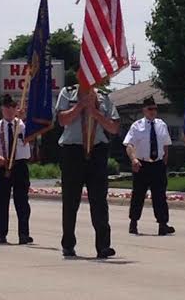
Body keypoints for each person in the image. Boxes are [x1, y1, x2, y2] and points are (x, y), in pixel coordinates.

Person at [55, 84, 120, 259]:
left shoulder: (103, 97)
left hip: (97, 151)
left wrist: (95, 112)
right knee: (70, 201)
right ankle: (68, 244)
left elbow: (114, 127)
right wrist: (81, 106)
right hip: (72, 151)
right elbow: (62, 120)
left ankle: (103, 246)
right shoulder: (68, 93)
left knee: (99, 200)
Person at [123, 95, 175, 236]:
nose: (153, 111)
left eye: (155, 109)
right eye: (150, 109)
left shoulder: (161, 124)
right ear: (144, 110)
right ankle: (133, 223)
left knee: (160, 196)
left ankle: (163, 224)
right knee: (138, 195)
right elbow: (129, 145)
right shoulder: (137, 126)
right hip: (142, 164)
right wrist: (133, 159)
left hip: (157, 165)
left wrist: (165, 160)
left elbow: (165, 144)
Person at [0, 94, 33, 245]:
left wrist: (26, 118)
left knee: (22, 201)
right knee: (1, 201)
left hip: (19, 165)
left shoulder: (22, 125)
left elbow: (32, 136)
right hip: (3, 165)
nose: (10, 109)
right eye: (7, 106)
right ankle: (1, 234)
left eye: (13, 106)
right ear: (2, 108)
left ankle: (24, 234)